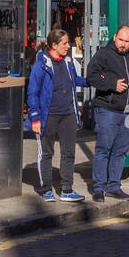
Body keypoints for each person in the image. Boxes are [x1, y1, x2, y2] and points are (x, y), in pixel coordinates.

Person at [86, 25, 129, 202]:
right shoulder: (103, 55)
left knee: (121, 151)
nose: (122, 44)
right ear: (114, 37)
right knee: (103, 149)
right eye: (120, 40)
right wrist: (112, 84)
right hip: (107, 109)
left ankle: (114, 186)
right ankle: (99, 188)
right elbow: (91, 76)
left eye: (126, 41)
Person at [27, 27, 86, 203]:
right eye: (65, 43)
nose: (68, 46)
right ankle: (46, 189)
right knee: (46, 153)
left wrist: (94, 80)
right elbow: (32, 93)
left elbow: (75, 80)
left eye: (68, 43)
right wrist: (35, 118)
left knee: (68, 153)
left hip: (67, 114)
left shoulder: (68, 62)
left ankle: (67, 190)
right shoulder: (40, 65)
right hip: (48, 116)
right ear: (54, 45)